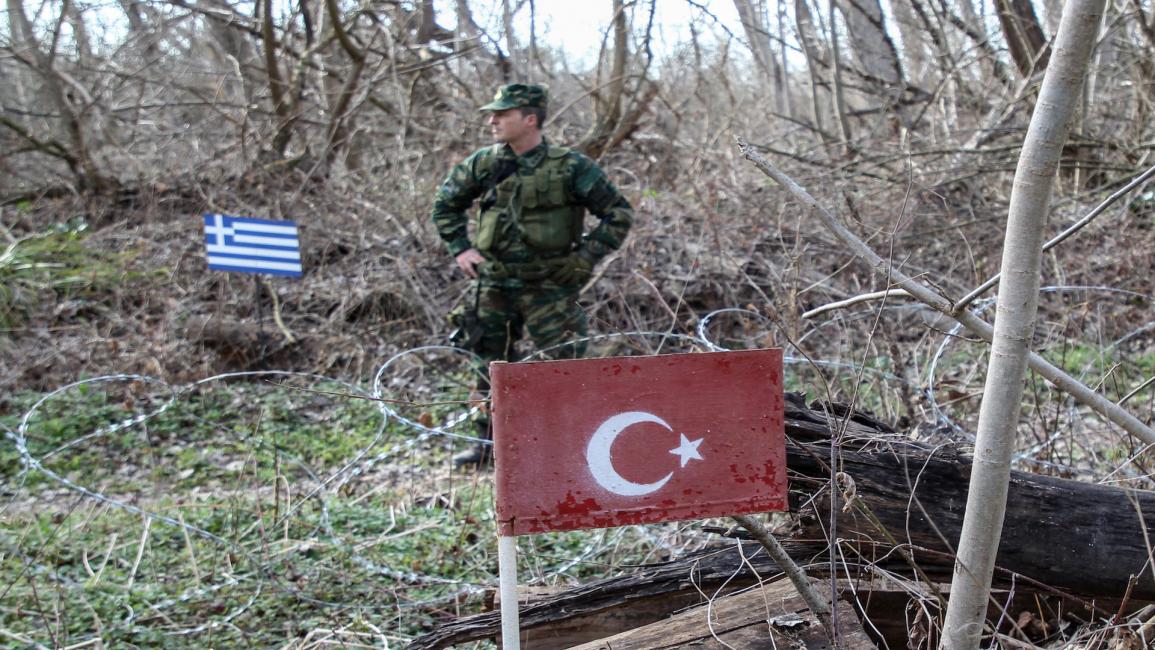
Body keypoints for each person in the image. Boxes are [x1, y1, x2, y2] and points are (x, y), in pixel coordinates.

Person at [431, 83, 634, 466]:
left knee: (563, 366)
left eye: (502, 114)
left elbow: (618, 213)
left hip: (551, 286)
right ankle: (488, 447)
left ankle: (573, 449)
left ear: (529, 119)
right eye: (493, 114)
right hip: (494, 284)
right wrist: (461, 248)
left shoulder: (571, 166)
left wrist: (585, 258)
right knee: (488, 365)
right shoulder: (485, 163)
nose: (492, 121)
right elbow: (445, 205)